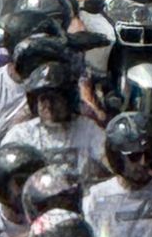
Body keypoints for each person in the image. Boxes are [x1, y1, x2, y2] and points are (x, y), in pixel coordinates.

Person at [13, 43, 108, 178]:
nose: (49, 106)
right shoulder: (22, 134)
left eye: (55, 99)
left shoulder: (87, 129)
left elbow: (107, 157)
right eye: (43, 99)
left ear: (69, 100)